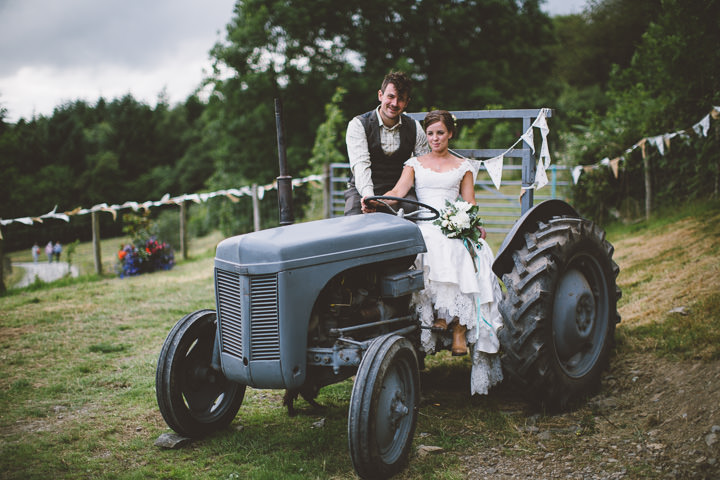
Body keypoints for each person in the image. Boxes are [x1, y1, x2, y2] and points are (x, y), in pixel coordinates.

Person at [378, 110, 504, 395]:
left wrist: (466, 222)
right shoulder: (414, 164)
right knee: (424, 246)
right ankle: (437, 318)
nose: (435, 138)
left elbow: (469, 202)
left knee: (461, 248)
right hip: (424, 224)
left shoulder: (463, 166)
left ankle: (459, 326)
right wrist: (377, 203)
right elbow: (399, 190)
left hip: (451, 224)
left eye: (441, 133)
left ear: (450, 134)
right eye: (431, 133)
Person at [344, 71, 429, 215]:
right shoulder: (358, 124)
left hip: (399, 190)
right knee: (354, 214)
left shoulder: (415, 127)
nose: (395, 103)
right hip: (363, 188)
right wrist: (369, 198)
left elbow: (423, 167)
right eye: (391, 96)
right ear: (380, 95)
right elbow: (361, 165)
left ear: (407, 102)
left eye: (401, 99)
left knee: (411, 209)